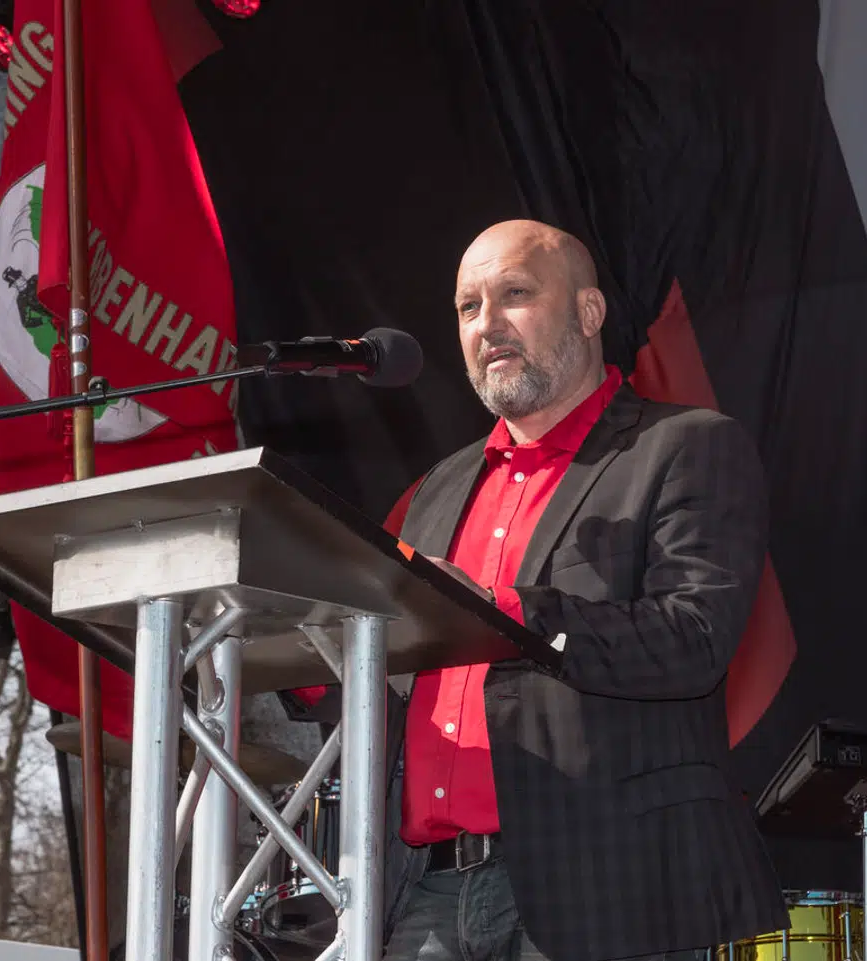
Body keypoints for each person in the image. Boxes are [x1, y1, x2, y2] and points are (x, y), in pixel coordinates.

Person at [284, 219, 786, 961]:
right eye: (467, 308)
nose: (487, 325)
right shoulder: (439, 489)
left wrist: (508, 614)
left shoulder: (685, 448)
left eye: (514, 294)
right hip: (425, 895)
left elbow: (696, 639)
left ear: (588, 312)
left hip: (607, 885)